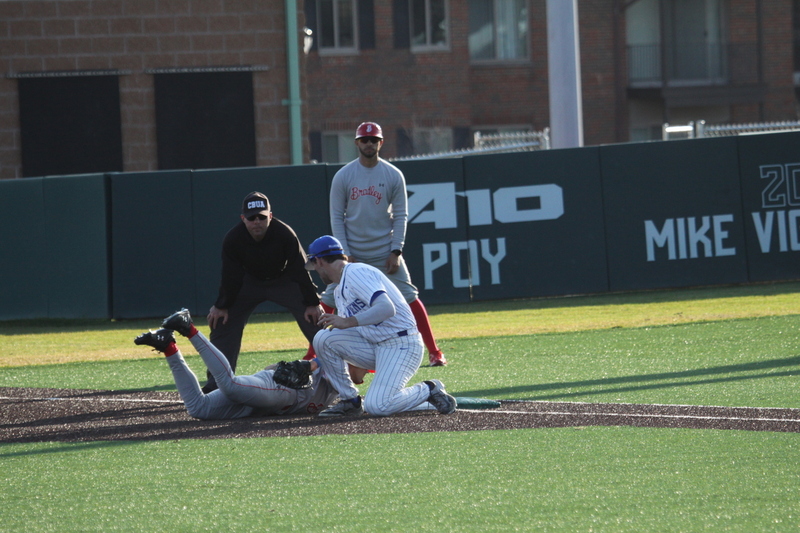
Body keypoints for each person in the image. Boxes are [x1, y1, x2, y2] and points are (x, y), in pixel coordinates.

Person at [324, 121, 447, 367]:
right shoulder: (344, 175)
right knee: (328, 300)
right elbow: (337, 217)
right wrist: (346, 254)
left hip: (383, 251)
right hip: (353, 252)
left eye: (373, 140)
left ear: (381, 143)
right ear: (357, 143)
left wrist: (396, 249)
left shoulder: (392, 174)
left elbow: (401, 214)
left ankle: (434, 351)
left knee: (409, 296)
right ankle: (314, 352)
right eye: (364, 139)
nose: (369, 144)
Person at [306, 235, 456, 417]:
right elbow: (349, 334)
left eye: (314, 265)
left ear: (319, 260)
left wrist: (348, 321)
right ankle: (350, 401)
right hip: (376, 346)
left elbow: (386, 308)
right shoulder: (339, 290)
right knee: (323, 338)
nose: (315, 270)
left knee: (377, 406)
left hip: (402, 344)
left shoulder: (356, 272)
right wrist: (314, 365)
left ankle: (429, 389)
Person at [204, 191, 323, 393]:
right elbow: (230, 276)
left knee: (314, 317)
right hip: (248, 282)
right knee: (222, 321)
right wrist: (222, 306)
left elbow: (299, 269)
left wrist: (312, 302)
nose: (257, 222)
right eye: (251, 218)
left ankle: (338, 372)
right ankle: (218, 384)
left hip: (284, 280)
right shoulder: (233, 239)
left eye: (261, 216)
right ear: (243, 219)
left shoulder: (285, 233)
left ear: (270, 216)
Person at [134, 309, 337, 419]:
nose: (365, 374)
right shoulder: (339, 364)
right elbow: (326, 359)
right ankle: (189, 329)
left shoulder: (343, 389)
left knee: (199, 409)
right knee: (230, 385)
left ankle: (168, 347)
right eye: (365, 367)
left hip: (263, 407)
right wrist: (313, 363)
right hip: (280, 390)